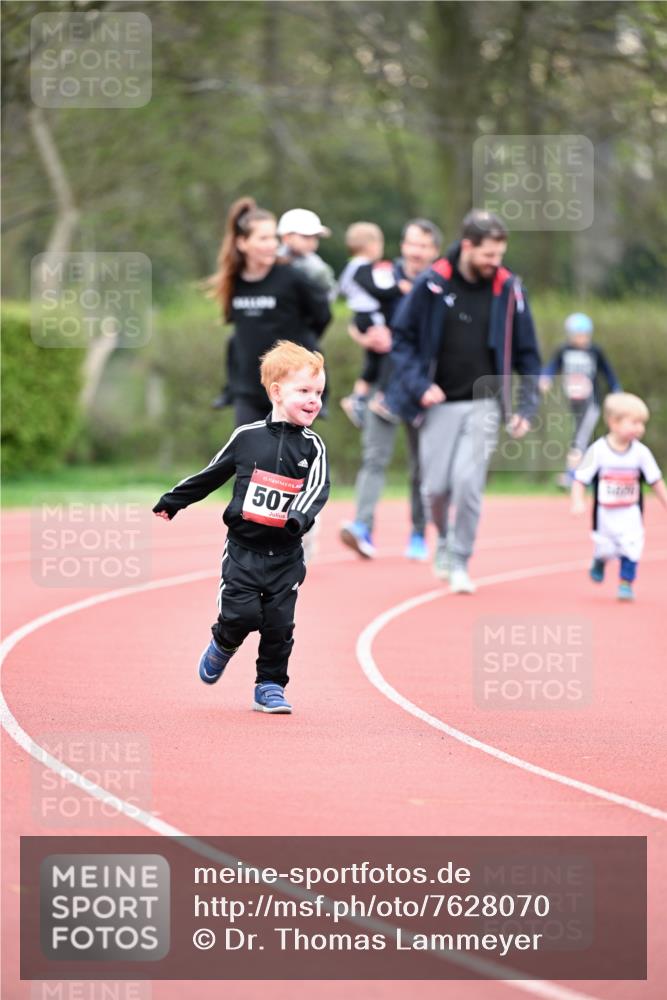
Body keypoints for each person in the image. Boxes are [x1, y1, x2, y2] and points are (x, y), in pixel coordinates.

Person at [153, 342, 330, 714]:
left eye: (318, 392)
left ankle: (269, 686)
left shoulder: (314, 447)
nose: (314, 400)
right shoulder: (247, 437)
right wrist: (175, 500)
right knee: (241, 616)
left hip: (285, 554)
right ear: (277, 392)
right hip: (243, 551)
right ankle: (223, 643)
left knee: (280, 625)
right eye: (304, 391)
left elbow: (317, 488)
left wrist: (297, 516)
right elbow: (212, 473)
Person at [382, 209, 542, 593]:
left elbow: (528, 354)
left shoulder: (509, 288)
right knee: (435, 488)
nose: (495, 263)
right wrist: (420, 384)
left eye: (500, 255)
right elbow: (400, 338)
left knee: (468, 483)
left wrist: (525, 407)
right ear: (468, 246)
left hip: (486, 402)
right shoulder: (432, 283)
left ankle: (460, 559)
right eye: (488, 255)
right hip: (437, 402)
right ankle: (445, 539)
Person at [339, 218, 442, 561]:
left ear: (434, 251)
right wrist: (364, 335)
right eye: (411, 243)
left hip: (422, 388)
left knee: (421, 467)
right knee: (374, 459)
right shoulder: (383, 275)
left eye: (424, 246)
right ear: (402, 246)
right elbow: (358, 315)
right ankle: (362, 527)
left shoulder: (443, 284)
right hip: (383, 385)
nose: (416, 251)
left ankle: (418, 533)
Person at [209, 197, 331, 426]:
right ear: (242, 243)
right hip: (249, 391)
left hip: (290, 391)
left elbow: (322, 316)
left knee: (291, 460)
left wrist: (303, 345)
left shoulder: (293, 277)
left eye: (274, 237)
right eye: (263, 238)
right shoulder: (233, 282)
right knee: (248, 459)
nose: (272, 244)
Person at [571, 392, 665, 601]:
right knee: (606, 548)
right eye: (634, 422)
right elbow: (580, 478)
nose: (640, 428)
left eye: (642, 423)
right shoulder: (598, 451)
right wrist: (577, 501)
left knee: (632, 545)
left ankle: (625, 583)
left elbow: (655, 479)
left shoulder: (641, 453)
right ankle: (600, 560)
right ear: (614, 422)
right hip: (605, 514)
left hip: (630, 512)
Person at [540, 312, 621, 487]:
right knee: (585, 438)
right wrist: (545, 378)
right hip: (574, 403)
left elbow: (608, 371)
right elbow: (552, 366)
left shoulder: (595, 351)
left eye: (585, 335)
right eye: (577, 335)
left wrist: (616, 389)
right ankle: (593, 477)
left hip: (592, 402)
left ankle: (571, 476)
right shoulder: (564, 350)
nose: (581, 339)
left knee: (580, 438)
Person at [338, 221, 403, 428]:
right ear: (371, 245)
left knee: (373, 359)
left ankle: (357, 398)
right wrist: (399, 288)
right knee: (388, 351)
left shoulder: (351, 267)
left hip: (362, 316)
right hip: (371, 316)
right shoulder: (362, 267)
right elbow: (377, 291)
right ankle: (381, 399)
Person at [277, 207, 337, 301]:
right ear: (286, 237)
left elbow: (328, 293)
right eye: (306, 237)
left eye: (315, 237)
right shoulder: (271, 260)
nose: (312, 242)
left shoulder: (318, 268)